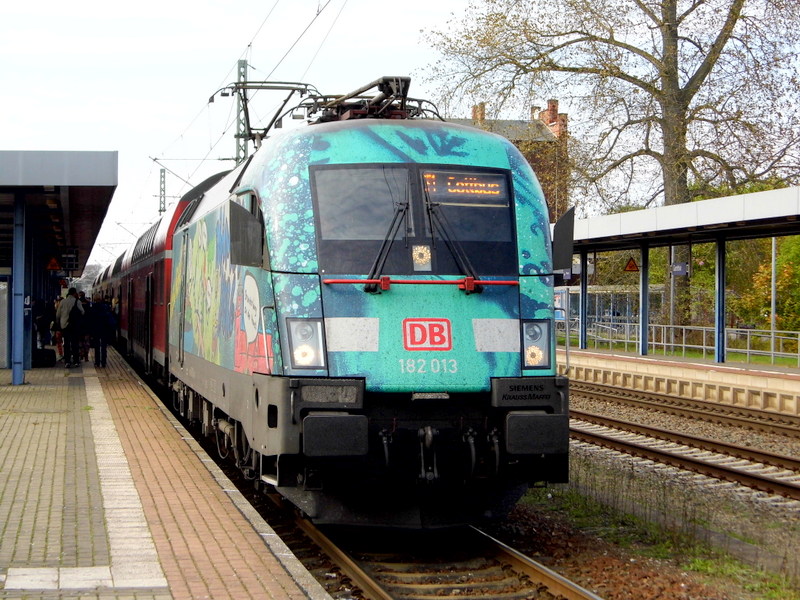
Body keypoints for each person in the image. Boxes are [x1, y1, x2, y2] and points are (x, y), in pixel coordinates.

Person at [55, 287, 85, 367]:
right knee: (75, 343)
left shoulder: (62, 302)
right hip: (74, 326)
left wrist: (59, 323)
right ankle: (76, 361)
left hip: (65, 325)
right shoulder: (77, 301)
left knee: (66, 343)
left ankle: (67, 361)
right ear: (74, 293)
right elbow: (82, 312)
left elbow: (57, 315)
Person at [90, 294, 116, 368]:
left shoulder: (93, 307)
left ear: (94, 299)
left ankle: (97, 362)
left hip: (96, 329)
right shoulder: (105, 307)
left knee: (97, 346)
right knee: (104, 346)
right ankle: (104, 362)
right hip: (104, 329)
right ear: (100, 298)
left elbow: (91, 320)